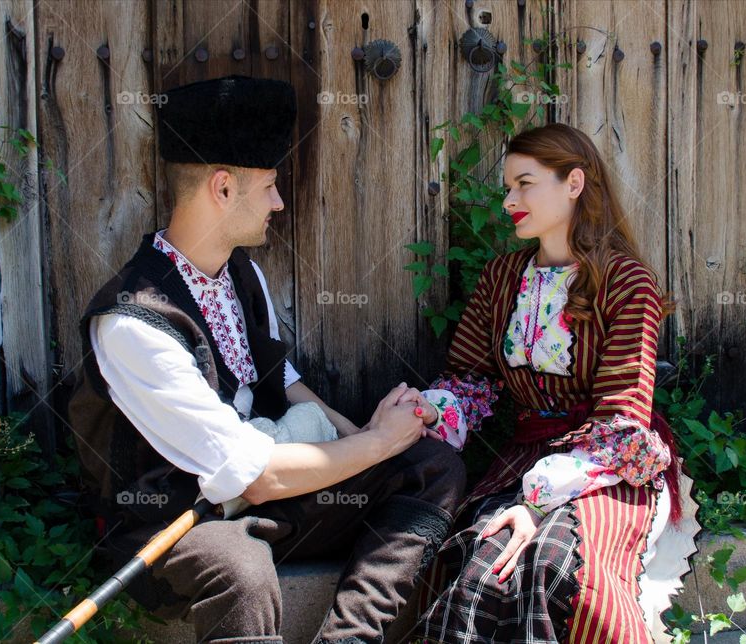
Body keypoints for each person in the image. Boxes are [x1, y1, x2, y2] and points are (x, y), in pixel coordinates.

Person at [66, 75, 466, 644]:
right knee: (241, 571)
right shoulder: (133, 323)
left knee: (432, 468)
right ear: (223, 188)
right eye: (272, 185)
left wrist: (368, 434)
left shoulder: (241, 273)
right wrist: (378, 443)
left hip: (267, 498)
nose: (280, 202)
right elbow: (250, 474)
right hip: (172, 524)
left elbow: (280, 377)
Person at [406, 123, 699, 643]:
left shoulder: (628, 282)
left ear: (574, 183)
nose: (508, 200)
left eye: (524, 183)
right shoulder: (501, 278)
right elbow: (470, 382)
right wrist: (429, 410)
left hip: (606, 468)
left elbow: (621, 419)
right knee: (486, 561)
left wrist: (538, 500)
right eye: (506, 187)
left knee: (553, 560)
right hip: (522, 456)